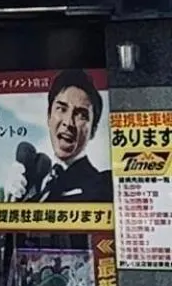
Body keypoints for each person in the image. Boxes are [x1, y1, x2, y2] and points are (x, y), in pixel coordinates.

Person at [14, 69, 114, 203]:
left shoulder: (102, 185)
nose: (68, 122)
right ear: (49, 117)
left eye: (81, 115)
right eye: (61, 109)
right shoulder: (36, 183)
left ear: (93, 130)